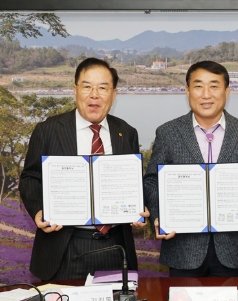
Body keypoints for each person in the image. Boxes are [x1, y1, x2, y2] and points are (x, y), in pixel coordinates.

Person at [20, 57, 149, 281]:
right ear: (75, 90)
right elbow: (31, 177)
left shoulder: (126, 132)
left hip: (115, 247)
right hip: (64, 248)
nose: (94, 95)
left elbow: (133, 182)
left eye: (103, 88)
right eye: (87, 86)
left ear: (114, 94)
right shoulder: (48, 130)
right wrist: (38, 209)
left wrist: (139, 207)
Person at [143, 61, 238, 277]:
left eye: (214, 86)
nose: (206, 94)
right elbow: (152, 181)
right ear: (187, 91)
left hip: (233, 250)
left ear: (227, 91)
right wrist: (160, 216)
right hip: (182, 248)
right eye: (198, 86)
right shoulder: (168, 133)